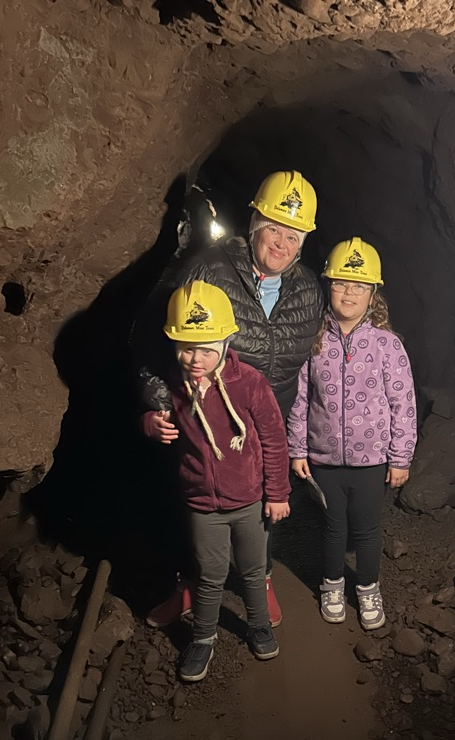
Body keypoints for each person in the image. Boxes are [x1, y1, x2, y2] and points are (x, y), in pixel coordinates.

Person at [134, 170, 322, 629]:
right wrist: (158, 404)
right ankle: (188, 588)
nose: (281, 242)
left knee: (266, 508)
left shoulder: (309, 291)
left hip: (265, 423)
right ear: (255, 223)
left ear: (304, 241)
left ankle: (261, 581)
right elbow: (153, 344)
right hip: (202, 421)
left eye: (292, 234)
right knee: (196, 511)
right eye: (274, 229)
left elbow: (317, 362)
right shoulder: (208, 270)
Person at [145, 279, 291, 682]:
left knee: (252, 569)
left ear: (226, 342)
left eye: (207, 348)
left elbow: (275, 440)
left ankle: (258, 626)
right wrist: (150, 424)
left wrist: (277, 493)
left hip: (248, 500)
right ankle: (203, 638)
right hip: (202, 505)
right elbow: (152, 419)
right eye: (187, 348)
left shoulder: (250, 384)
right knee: (209, 574)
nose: (196, 358)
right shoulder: (174, 388)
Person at [287, 238, 417, 630]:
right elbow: (299, 399)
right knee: (332, 526)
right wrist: (297, 449)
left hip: (371, 460)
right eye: (342, 283)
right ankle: (331, 586)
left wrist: (400, 458)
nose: (349, 292)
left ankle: (367, 588)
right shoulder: (314, 339)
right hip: (324, 458)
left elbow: (403, 404)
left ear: (372, 293)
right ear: (329, 285)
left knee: (366, 528)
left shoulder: (386, 345)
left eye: (358, 286)